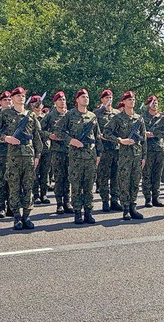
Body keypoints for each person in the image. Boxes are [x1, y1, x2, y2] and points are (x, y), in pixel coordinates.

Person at [0, 87, 43, 230]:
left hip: (29, 156)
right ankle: (17, 217)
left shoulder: (31, 115)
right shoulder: (5, 114)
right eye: (17, 95)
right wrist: (5, 138)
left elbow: (37, 137)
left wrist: (37, 155)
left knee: (28, 187)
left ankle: (27, 216)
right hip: (13, 156)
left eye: (23, 95)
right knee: (14, 187)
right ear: (12, 98)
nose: (21, 97)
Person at [59, 88, 102, 224]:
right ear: (77, 100)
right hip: (76, 157)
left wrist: (99, 154)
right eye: (83, 96)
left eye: (87, 96)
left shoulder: (92, 116)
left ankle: (88, 212)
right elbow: (58, 130)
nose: (86, 98)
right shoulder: (70, 115)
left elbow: (97, 136)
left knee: (89, 186)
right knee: (76, 185)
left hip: (90, 156)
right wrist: (71, 140)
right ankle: (77, 212)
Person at [103, 90, 146, 220]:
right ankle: (125, 209)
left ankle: (133, 207)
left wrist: (144, 156)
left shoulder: (139, 118)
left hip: (137, 155)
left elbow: (144, 139)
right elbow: (106, 132)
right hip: (124, 156)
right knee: (124, 182)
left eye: (133, 99)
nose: (132, 101)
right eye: (129, 99)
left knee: (135, 182)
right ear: (124, 102)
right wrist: (120, 140)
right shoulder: (117, 118)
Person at [45, 91, 73, 215]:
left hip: (70, 150)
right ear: (55, 102)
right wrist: (49, 135)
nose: (63, 101)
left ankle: (67, 202)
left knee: (68, 178)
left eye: (64, 99)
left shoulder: (70, 115)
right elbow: (39, 129)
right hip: (57, 151)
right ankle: (59, 204)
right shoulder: (50, 116)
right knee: (59, 178)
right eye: (60, 99)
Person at [95, 89, 122, 212]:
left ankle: (115, 200)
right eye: (106, 98)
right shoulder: (97, 114)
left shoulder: (117, 114)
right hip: (104, 150)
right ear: (102, 100)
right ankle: (105, 201)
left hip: (116, 149)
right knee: (103, 176)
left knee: (116, 176)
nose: (108, 100)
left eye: (110, 98)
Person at [140, 95, 164, 208]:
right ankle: (147, 198)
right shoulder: (142, 117)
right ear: (148, 104)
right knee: (147, 175)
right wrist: (145, 134)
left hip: (159, 148)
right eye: (153, 103)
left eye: (156, 103)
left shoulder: (162, 117)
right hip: (148, 149)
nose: (155, 105)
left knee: (157, 175)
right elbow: (138, 132)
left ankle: (156, 197)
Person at [29, 95, 52, 205]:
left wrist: (47, 134)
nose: (38, 106)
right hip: (33, 148)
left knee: (45, 173)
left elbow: (51, 130)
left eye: (39, 104)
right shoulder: (29, 118)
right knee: (34, 173)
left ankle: (44, 193)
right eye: (35, 104)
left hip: (46, 148)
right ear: (31, 105)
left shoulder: (46, 117)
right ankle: (36, 194)